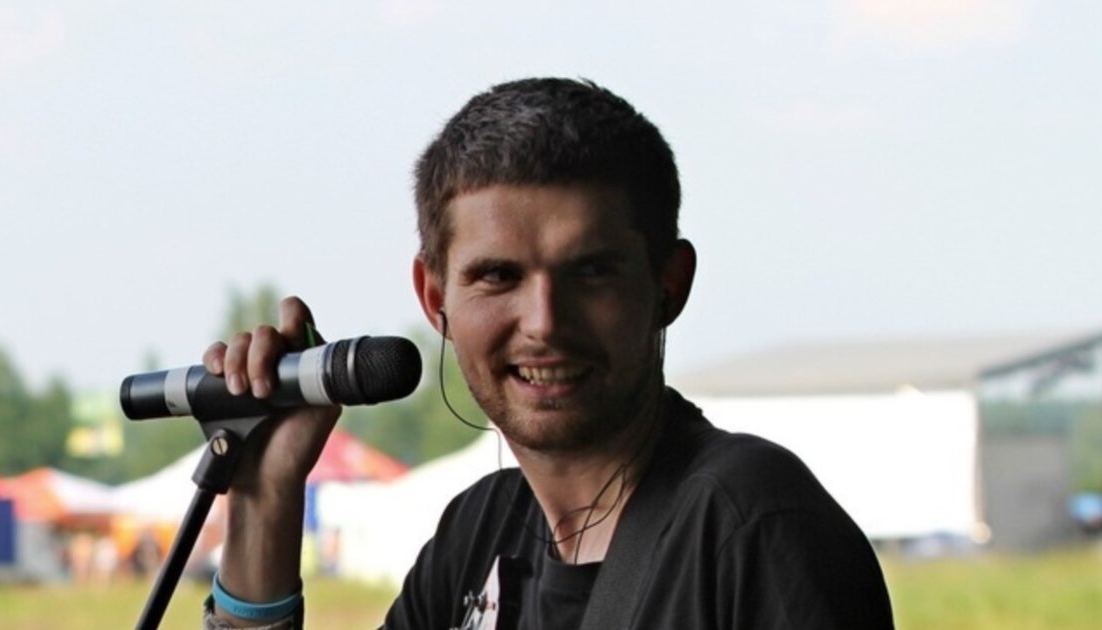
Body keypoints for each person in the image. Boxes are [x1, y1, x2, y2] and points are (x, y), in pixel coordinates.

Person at [200, 78, 894, 629]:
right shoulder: (477, 534)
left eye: (591, 272)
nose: (544, 323)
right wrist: (266, 496)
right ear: (435, 297)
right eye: (498, 276)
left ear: (669, 284)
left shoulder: (753, 530)